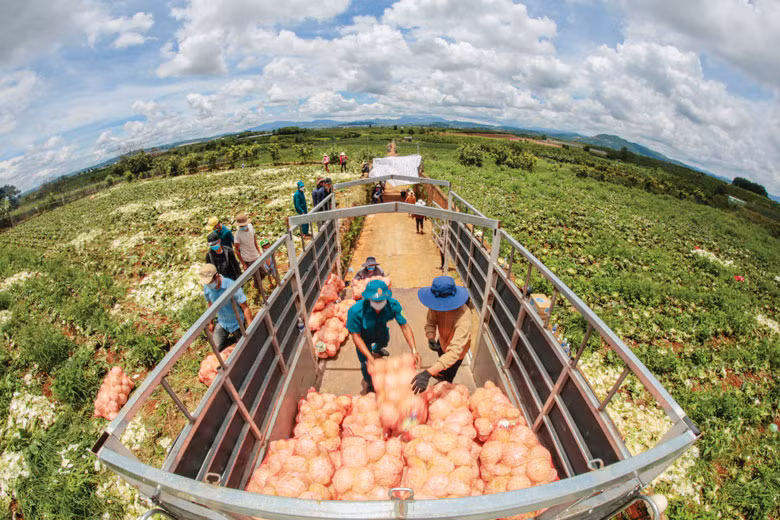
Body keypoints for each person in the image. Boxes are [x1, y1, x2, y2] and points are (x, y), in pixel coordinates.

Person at [346, 279, 420, 394]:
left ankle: (376, 350)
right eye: (375, 301)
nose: (378, 304)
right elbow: (356, 336)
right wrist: (370, 358)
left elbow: (405, 326)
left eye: (382, 301)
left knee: (384, 342)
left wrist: (414, 350)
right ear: (368, 298)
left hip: (381, 332)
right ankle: (369, 383)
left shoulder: (393, 305)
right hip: (363, 338)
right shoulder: (355, 311)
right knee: (365, 363)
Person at [411, 276, 472, 393]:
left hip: (456, 353)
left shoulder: (464, 316)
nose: (440, 307)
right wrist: (431, 337)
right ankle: (440, 371)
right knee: (442, 360)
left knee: (448, 376)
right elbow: (431, 322)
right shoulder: (435, 306)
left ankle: (445, 379)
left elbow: (455, 352)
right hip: (442, 342)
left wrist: (428, 372)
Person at [199, 263, 254, 351]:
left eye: (210, 282)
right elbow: (210, 305)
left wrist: (252, 327)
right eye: (207, 283)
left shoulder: (231, 285)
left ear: (216, 276)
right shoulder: (207, 288)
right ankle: (233, 342)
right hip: (222, 322)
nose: (209, 285)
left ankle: (239, 340)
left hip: (237, 322)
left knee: (245, 347)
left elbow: (245, 307)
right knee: (216, 348)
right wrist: (211, 323)